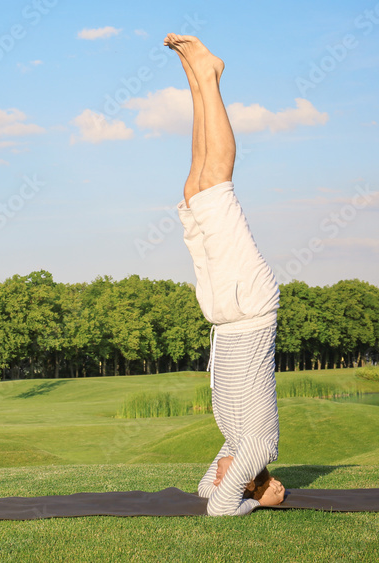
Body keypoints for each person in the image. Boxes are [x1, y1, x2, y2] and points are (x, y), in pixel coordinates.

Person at [164, 33, 285, 516]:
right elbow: (217, 508)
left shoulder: (237, 446)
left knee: (195, 189)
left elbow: (203, 492)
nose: (219, 476)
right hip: (249, 304)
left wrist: (232, 478)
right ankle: (211, 76)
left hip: (224, 312)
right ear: (255, 483)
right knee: (217, 182)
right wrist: (261, 501)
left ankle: (196, 79)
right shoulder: (259, 452)